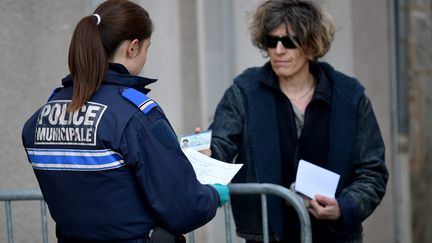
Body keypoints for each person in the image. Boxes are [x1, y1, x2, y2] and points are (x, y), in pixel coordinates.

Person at [21, 0, 229, 242]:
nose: (146, 56)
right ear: (133, 47)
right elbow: (184, 208)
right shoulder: (135, 115)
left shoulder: (40, 119)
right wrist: (213, 194)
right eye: (147, 48)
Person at [204, 0, 389, 242]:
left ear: (311, 45)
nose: (279, 50)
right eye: (272, 41)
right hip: (267, 236)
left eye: (289, 42)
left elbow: (372, 171)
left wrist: (344, 206)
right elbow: (221, 144)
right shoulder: (245, 92)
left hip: (335, 236)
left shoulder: (349, 97)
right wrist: (206, 154)